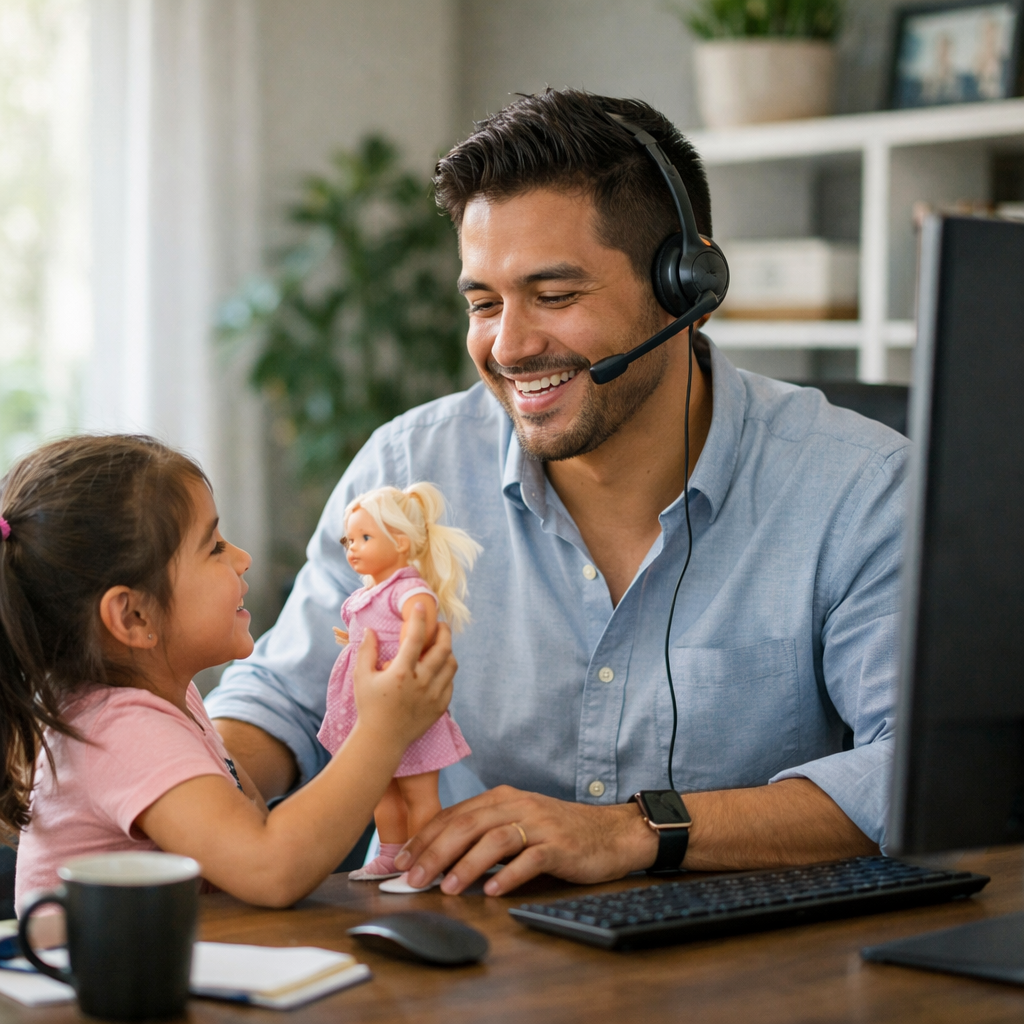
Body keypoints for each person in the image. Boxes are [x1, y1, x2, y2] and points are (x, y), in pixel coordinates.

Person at [208, 89, 906, 898]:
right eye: (482, 303)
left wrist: (635, 832)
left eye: (554, 296)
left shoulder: (858, 487)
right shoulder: (407, 467)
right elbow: (281, 704)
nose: (508, 346)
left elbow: (915, 773)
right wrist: (177, 792)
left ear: (683, 283)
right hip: (468, 965)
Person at [0, 435, 456, 910]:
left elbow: (250, 821)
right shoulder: (118, 732)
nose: (243, 557)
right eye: (214, 547)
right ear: (133, 616)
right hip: (96, 981)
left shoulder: (168, 699)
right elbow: (270, 869)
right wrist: (383, 730)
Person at [320, 483, 480, 883]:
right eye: (349, 539)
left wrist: (407, 643)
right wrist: (355, 641)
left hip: (404, 705)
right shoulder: (369, 593)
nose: (352, 547)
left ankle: (426, 859)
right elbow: (370, 628)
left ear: (402, 543)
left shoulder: (409, 588)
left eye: (365, 538)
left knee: (419, 793)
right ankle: (391, 855)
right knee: (383, 789)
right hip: (370, 708)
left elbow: (419, 622)